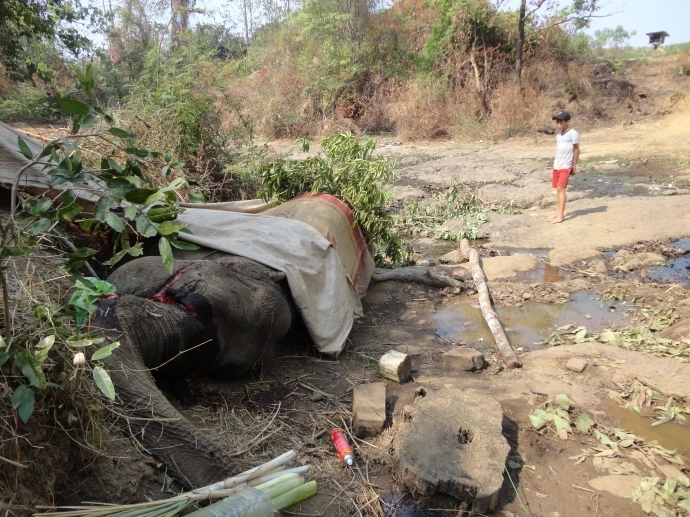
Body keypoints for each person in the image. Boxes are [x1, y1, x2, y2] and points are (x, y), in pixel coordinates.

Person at [551, 111, 580, 224]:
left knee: (560, 189)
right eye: (557, 121)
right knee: (557, 189)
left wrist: (574, 165)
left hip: (566, 166)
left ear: (567, 121)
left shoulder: (572, 133)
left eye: (561, 121)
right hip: (557, 165)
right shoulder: (558, 136)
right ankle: (559, 212)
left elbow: (577, 149)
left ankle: (561, 216)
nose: (558, 123)